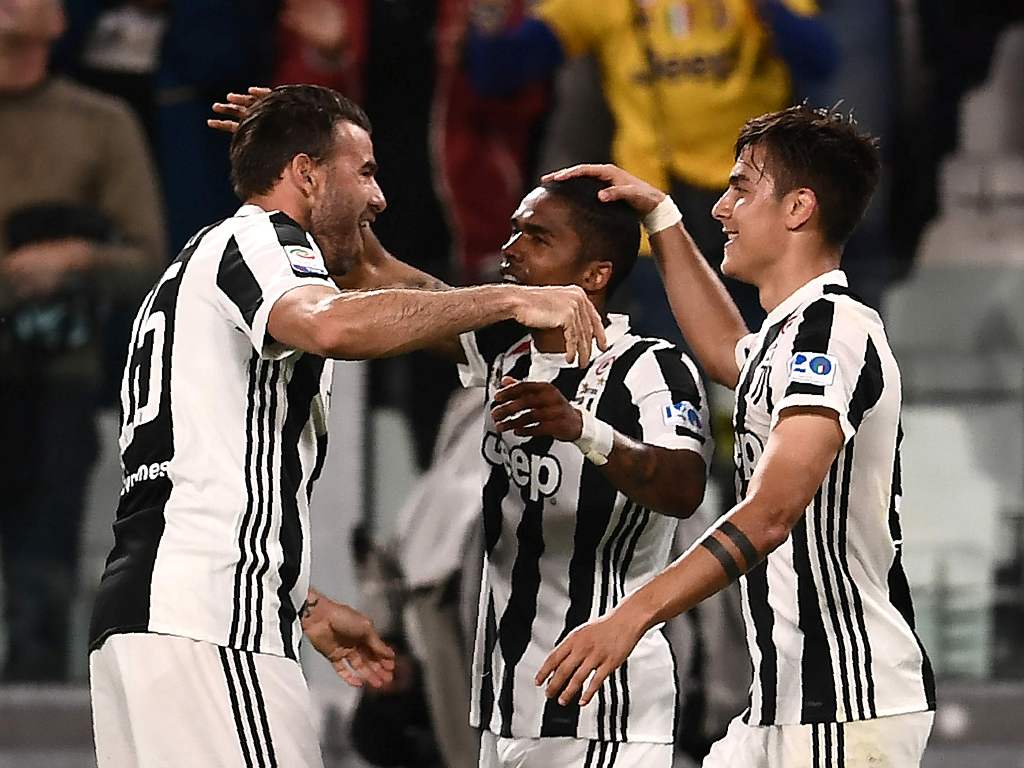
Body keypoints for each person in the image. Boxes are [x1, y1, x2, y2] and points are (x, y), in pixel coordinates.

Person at [88, 84, 604, 768]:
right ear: (304, 174)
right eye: (364, 172)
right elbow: (329, 323)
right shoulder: (259, 237)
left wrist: (299, 599)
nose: (380, 197)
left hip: (154, 617)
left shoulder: (199, 268)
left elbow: (368, 280)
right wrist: (512, 295)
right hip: (210, 625)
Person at [535, 105, 936, 766]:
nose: (721, 208)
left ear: (799, 208)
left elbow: (773, 512)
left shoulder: (831, 332)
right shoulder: (791, 336)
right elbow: (728, 350)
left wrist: (634, 614)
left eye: (741, 189)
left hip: (844, 702)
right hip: (786, 705)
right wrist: (661, 216)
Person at [454, 176, 713, 768]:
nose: (511, 249)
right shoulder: (508, 356)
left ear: (595, 275)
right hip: (504, 703)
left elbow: (683, 487)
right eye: (515, 231)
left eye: (537, 238)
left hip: (602, 712)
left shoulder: (652, 367)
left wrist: (583, 430)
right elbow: (393, 289)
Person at [467, 0, 838, 334]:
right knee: (678, 366)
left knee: (772, 358)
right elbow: (499, 72)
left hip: (758, 204)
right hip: (657, 210)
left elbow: (821, 59)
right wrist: (487, 14)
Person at [0, 0, 164, 681]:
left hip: (55, 368)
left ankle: (36, 677)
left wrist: (74, 259)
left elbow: (148, 257)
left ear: (63, 19)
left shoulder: (100, 123)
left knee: (46, 538)